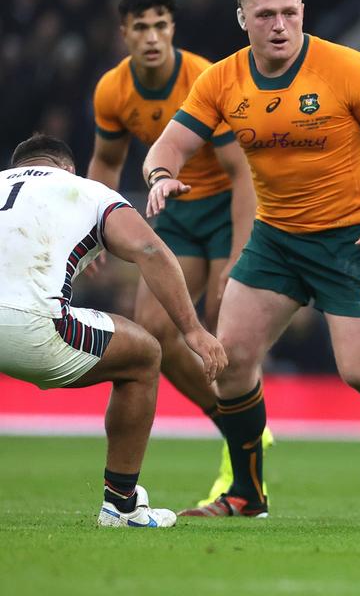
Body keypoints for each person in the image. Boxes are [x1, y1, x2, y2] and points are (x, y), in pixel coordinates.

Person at [141, 0, 360, 517]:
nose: (279, 24)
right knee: (229, 362)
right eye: (265, 15)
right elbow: (165, 148)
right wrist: (160, 178)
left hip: (352, 241)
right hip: (276, 239)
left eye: (289, 12)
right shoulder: (221, 81)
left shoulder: (345, 67)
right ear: (243, 20)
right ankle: (248, 494)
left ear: (303, 13)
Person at [88, 0, 268, 508]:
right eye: (140, 27)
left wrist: (235, 257)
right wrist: (92, 231)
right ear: (124, 34)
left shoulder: (203, 79)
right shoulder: (111, 91)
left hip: (226, 208)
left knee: (222, 323)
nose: (151, 37)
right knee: (153, 339)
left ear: (173, 30)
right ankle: (236, 426)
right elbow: (105, 163)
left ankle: (246, 461)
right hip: (176, 214)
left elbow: (242, 174)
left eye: (161, 25)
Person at [0, 135, 226, 527]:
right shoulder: (87, 190)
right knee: (144, 355)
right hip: (32, 327)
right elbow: (150, 251)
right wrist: (192, 329)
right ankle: (121, 504)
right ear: (68, 168)